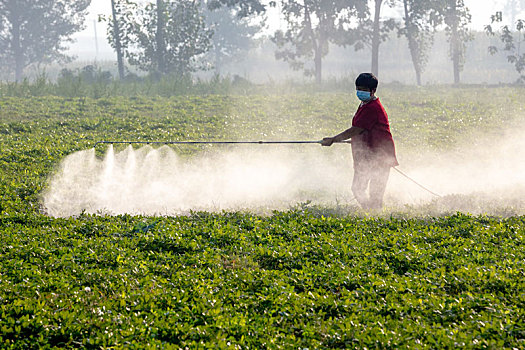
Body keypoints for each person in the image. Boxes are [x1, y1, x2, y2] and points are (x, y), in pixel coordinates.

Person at [321, 73, 398, 209]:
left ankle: (374, 215)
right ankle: (370, 211)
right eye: (358, 88)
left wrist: (333, 139)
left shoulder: (373, 108)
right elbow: (365, 130)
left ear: (373, 91)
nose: (360, 92)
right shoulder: (364, 104)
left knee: (375, 193)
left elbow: (356, 129)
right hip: (367, 154)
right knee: (357, 188)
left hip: (380, 156)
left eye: (364, 89)